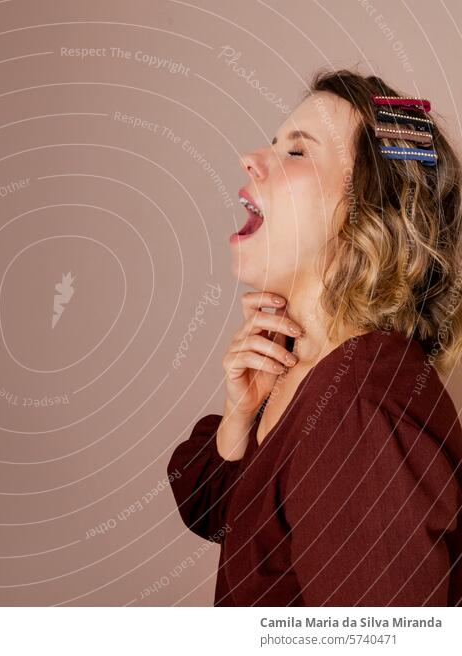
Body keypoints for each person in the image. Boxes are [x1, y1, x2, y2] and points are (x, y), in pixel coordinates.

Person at [167, 68, 462, 606]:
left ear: (369, 214)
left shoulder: (359, 407)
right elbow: (222, 517)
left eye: (298, 153)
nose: (251, 158)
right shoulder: (302, 373)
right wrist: (239, 421)